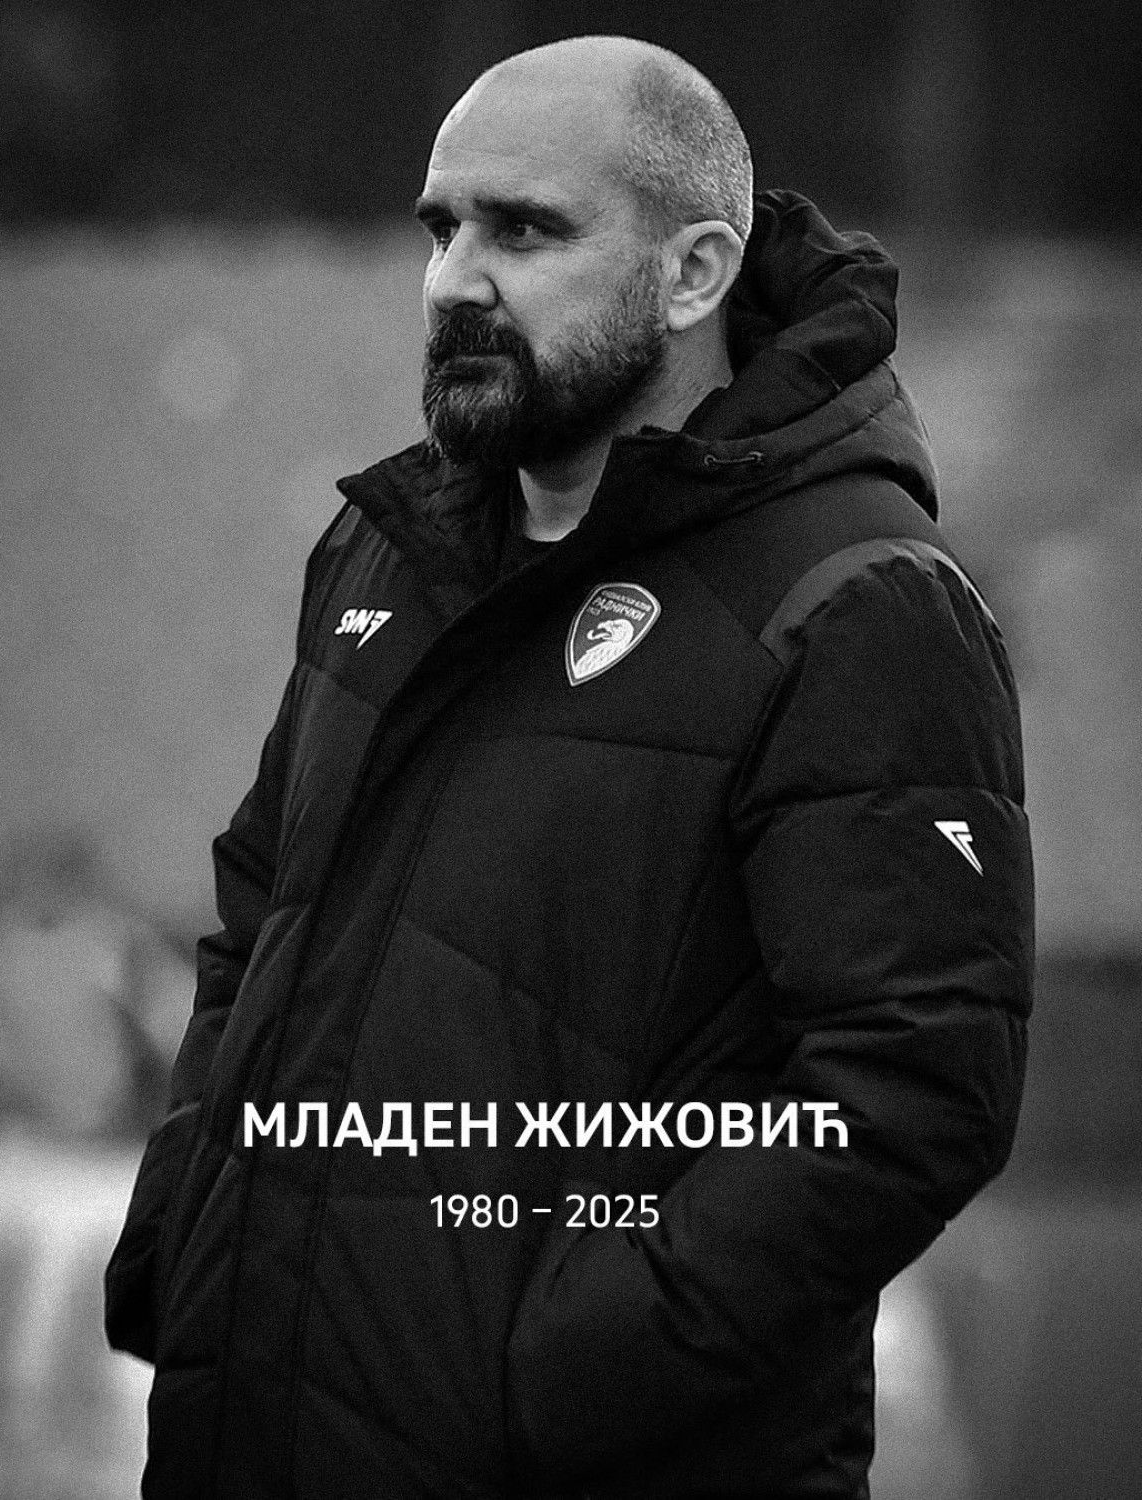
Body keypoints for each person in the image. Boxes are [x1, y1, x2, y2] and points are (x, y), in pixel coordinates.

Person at [105, 33, 1034, 1500]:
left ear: (694, 271)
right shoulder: (385, 553)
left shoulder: (858, 597)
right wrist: (185, 1239)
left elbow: (914, 1090)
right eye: (442, 228)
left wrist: (558, 1374)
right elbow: (258, 915)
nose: (455, 279)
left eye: (525, 231)